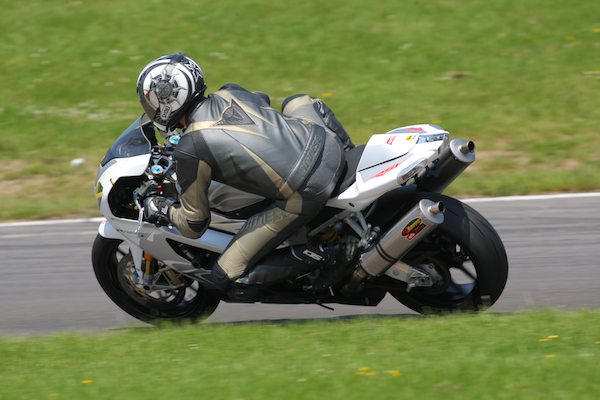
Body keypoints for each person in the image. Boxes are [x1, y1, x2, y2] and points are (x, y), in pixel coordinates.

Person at [137, 53, 353, 291]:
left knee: (227, 277)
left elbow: (194, 223)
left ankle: (332, 254)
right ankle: (352, 160)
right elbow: (261, 100)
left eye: (151, 101)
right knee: (297, 101)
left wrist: (162, 208)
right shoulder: (228, 92)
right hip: (329, 144)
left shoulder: (191, 149)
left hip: (307, 191)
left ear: (166, 102)